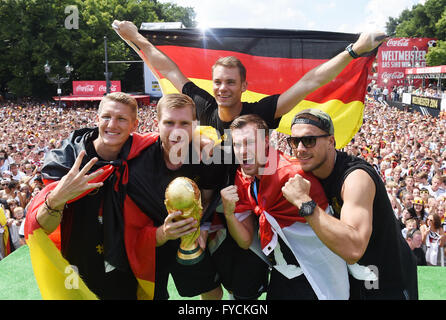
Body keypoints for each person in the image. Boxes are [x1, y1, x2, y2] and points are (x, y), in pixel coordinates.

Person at [113, 20, 385, 134]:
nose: (222, 88)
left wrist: (355, 50)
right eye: (218, 81)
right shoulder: (202, 104)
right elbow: (171, 69)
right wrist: (135, 38)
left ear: (244, 86)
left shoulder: (262, 112)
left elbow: (309, 82)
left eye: (231, 82)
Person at [25, 92, 170, 299]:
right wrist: (57, 198)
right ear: (97, 119)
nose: (112, 124)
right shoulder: (67, 160)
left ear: (134, 125)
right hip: (78, 264)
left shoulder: (145, 154)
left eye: (121, 119)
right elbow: (42, 227)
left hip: (126, 264)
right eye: (106, 117)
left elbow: (181, 136)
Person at [281, 108, 418, 300]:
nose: (300, 148)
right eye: (294, 141)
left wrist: (303, 202)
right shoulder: (307, 172)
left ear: (331, 141)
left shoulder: (356, 178)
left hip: (386, 278)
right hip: (350, 279)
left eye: (309, 140)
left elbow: (354, 249)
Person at [224, 114, 350, 299]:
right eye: (236, 144)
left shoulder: (294, 175)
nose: (242, 151)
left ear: (266, 142)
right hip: (283, 272)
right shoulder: (243, 178)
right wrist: (228, 214)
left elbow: (331, 232)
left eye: (250, 142)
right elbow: (244, 241)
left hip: (317, 273)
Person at [125, 93, 226, 300]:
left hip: (190, 233)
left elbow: (207, 198)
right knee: (148, 295)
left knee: (212, 291)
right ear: (157, 123)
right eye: (169, 122)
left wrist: (202, 225)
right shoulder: (136, 157)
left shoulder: (208, 156)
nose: (177, 130)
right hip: (151, 239)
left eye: (184, 123)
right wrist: (160, 234)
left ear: (194, 125)